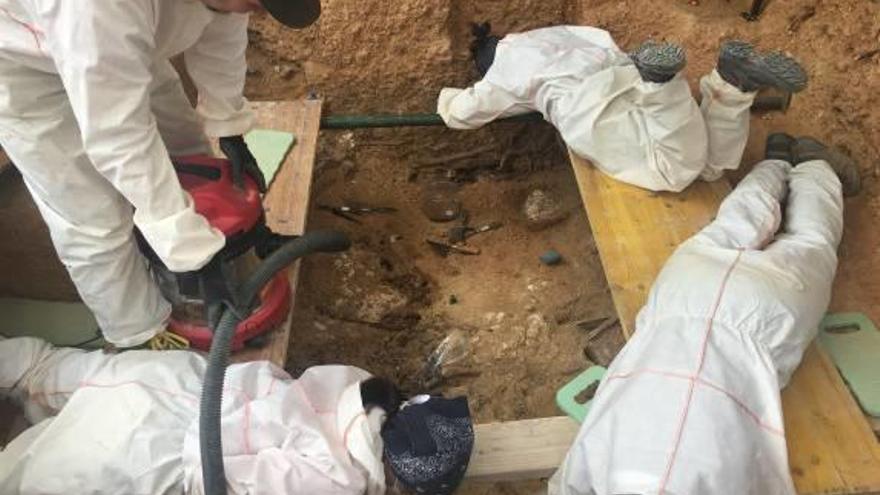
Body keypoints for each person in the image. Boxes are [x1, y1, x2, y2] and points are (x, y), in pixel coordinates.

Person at [0, 0, 320, 349]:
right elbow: (120, 139)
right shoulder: (100, 9)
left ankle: (189, 271)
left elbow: (224, 20)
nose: (258, 13)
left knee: (184, 148)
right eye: (256, 3)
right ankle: (141, 335)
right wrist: (195, 252)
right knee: (94, 216)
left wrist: (229, 124)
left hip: (112, 45)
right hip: (25, 69)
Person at [548, 135, 858, 494]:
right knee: (736, 222)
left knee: (809, 243)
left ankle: (818, 168)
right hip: (683, 292)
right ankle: (774, 162)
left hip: (764, 316)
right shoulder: (586, 474)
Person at [0, 335, 475, 494]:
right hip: (140, 457)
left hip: (172, 384)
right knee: (20, 476)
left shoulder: (360, 388)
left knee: (40, 366)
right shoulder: (336, 483)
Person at [438, 25, 808, 193]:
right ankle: (732, 83)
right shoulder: (554, 32)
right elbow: (602, 40)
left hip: (587, 109)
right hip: (626, 76)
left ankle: (664, 86)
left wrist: (450, 96)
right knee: (710, 170)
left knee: (674, 172)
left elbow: (459, 114)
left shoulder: (502, 73)